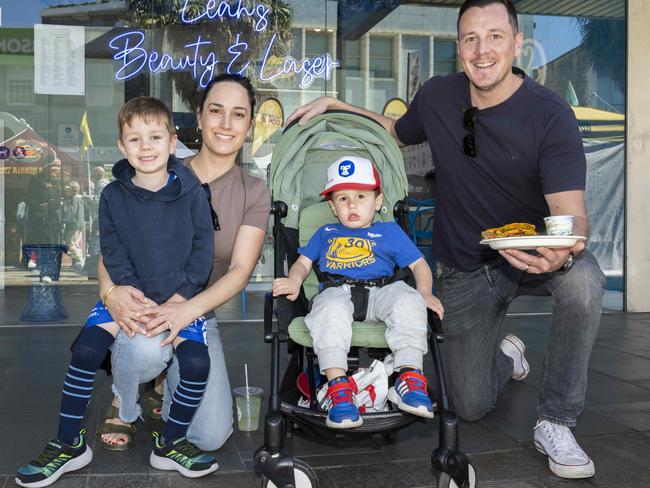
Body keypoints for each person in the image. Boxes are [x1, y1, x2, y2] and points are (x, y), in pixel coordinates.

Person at [286, 0, 604, 479]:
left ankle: (556, 420)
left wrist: (566, 250)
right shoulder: (438, 96)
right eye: (470, 39)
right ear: (459, 48)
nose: (482, 50)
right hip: (464, 265)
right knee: (469, 404)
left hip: (534, 250)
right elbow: (394, 130)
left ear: (517, 44)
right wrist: (336, 105)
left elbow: (571, 215)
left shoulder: (549, 114)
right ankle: (506, 353)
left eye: (495, 36)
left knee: (584, 282)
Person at [16, 96, 218, 487]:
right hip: (129, 295)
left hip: (179, 300)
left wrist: (181, 300)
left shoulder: (194, 193)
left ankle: (170, 442)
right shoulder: (112, 196)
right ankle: (69, 442)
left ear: (172, 142)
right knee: (87, 349)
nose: (146, 147)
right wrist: (128, 295)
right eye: (135, 139)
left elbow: (202, 254)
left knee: (196, 363)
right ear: (122, 147)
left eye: (155, 136)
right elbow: (112, 250)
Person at [97, 74, 271, 452]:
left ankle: (162, 381)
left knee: (208, 436)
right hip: (145, 304)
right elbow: (113, 245)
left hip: (198, 311)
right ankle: (126, 395)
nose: (226, 124)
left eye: (238, 114)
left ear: (249, 124)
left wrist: (186, 310)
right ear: (199, 116)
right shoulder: (158, 165)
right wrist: (110, 292)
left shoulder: (254, 191)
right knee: (144, 351)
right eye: (216, 111)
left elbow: (241, 269)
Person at [273, 156, 444, 428]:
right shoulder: (325, 232)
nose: (352, 204)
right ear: (332, 206)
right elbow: (302, 264)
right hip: (338, 291)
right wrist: (294, 280)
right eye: (342, 199)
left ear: (377, 201)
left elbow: (419, 264)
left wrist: (424, 291)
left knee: (409, 300)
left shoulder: (389, 231)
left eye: (361, 196)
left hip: (384, 290)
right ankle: (339, 389)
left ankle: (409, 377)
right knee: (327, 307)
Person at [61, 180, 86, 270]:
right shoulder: (79, 199)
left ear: (72, 190)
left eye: (68, 190)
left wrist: (65, 207)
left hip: (74, 225)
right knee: (73, 244)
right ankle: (79, 261)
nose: (67, 192)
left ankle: (80, 260)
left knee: (70, 244)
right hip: (78, 225)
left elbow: (72, 213)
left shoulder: (75, 199)